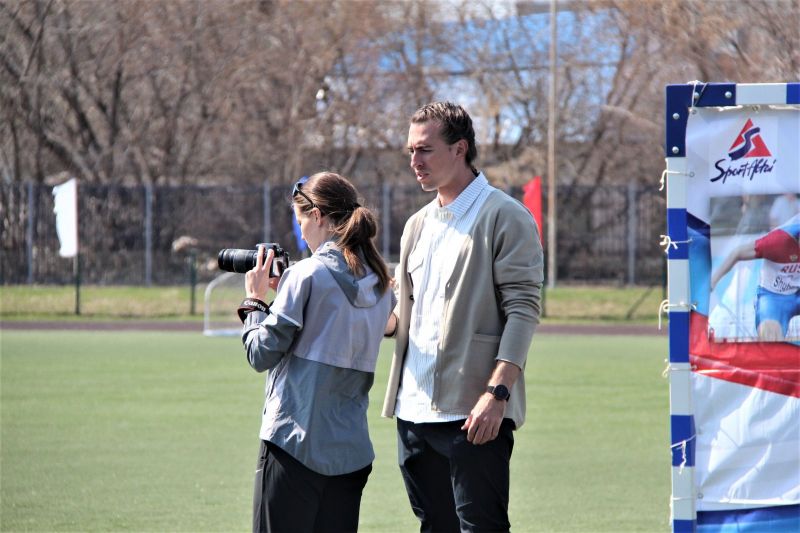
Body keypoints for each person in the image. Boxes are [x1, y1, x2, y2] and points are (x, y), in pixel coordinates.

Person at [381, 101, 544, 532]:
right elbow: (401, 316)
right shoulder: (416, 225)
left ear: (460, 149)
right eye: (411, 151)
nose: (415, 161)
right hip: (412, 413)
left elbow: (523, 310)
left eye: (425, 149)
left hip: (474, 413)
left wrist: (497, 393)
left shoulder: (505, 215)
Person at [240, 172, 396, 533]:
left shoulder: (307, 275)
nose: (302, 233)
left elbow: (260, 354)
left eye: (301, 223)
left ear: (317, 216)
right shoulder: (379, 284)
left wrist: (254, 303)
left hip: (294, 445)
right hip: (351, 453)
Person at [710, 213, 800, 341]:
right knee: (771, 336)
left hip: (797, 291)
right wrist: (713, 281)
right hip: (774, 297)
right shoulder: (778, 241)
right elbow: (737, 253)